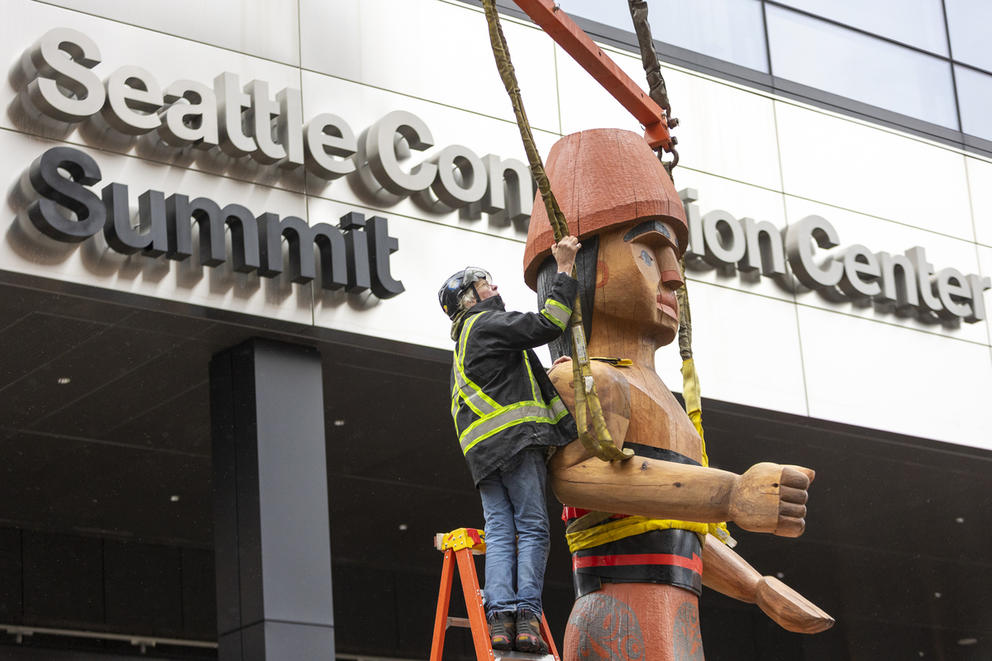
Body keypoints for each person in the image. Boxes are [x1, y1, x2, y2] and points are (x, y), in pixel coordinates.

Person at [520, 128, 831, 660]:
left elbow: (670, 526)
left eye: (676, 261)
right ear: (583, 267)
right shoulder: (589, 378)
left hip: (673, 621)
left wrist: (756, 587)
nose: (673, 278)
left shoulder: (663, 401)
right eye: (649, 253)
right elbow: (575, 478)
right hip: (620, 617)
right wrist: (731, 493)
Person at [437, 236, 581, 653]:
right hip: (517, 444)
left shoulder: (464, 345)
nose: (494, 287)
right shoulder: (486, 324)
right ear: (467, 300)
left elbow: (507, 377)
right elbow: (549, 323)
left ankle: (500, 620)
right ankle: (528, 618)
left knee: (501, 531)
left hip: (483, 456)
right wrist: (566, 268)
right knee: (532, 528)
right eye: (483, 283)